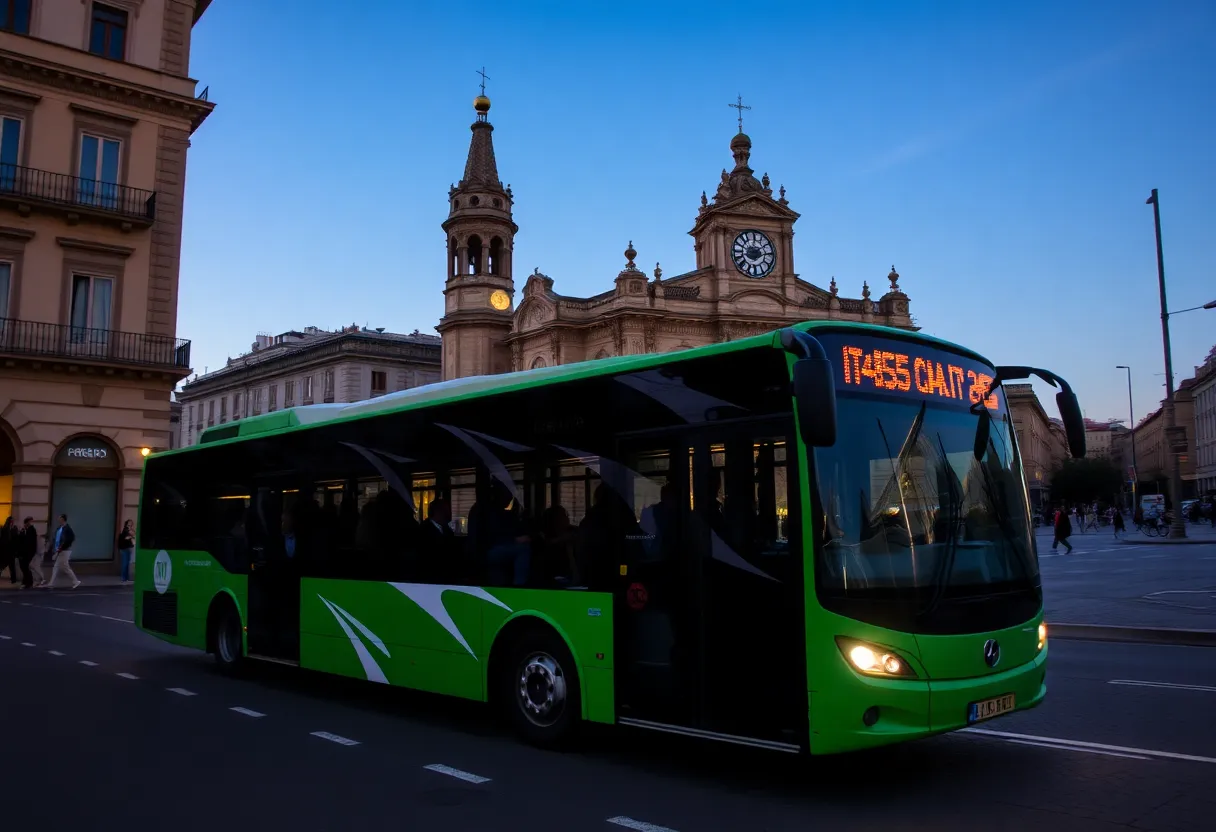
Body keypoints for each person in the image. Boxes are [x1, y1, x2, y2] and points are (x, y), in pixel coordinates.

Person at [44, 513, 81, 590]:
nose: (58, 519)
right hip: (60, 549)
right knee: (57, 567)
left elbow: (71, 538)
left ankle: (75, 581)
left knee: (63, 567)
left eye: (59, 518)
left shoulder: (67, 528)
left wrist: (63, 546)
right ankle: (51, 583)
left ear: (63, 519)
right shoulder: (60, 528)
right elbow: (56, 538)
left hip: (64, 550)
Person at [17, 517, 42, 589]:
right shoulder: (27, 530)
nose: (31, 522)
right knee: (24, 567)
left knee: (25, 567)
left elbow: (27, 542)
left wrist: (22, 534)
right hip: (27, 552)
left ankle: (28, 582)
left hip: (28, 552)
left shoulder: (31, 530)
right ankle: (27, 582)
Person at [117, 519, 135, 584]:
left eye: (131, 523)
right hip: (124, 549)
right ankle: (124, 578)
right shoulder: (125, 530)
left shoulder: (129, 530)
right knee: (125, 564)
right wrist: (131, 536)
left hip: (127, 548)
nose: (131, 524)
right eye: (129, 523)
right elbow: (126, 537)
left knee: (127, 564)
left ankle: (126, 578)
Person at [0, 516, 17, 584]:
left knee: (12, 566)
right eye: (11, 521)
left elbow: (15, 539)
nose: (12, 522)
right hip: (5, 550)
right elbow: (2, 539)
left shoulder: (14, 529)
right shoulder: (5, 529)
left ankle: (14, 579)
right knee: (3, 565)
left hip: (11, 551)